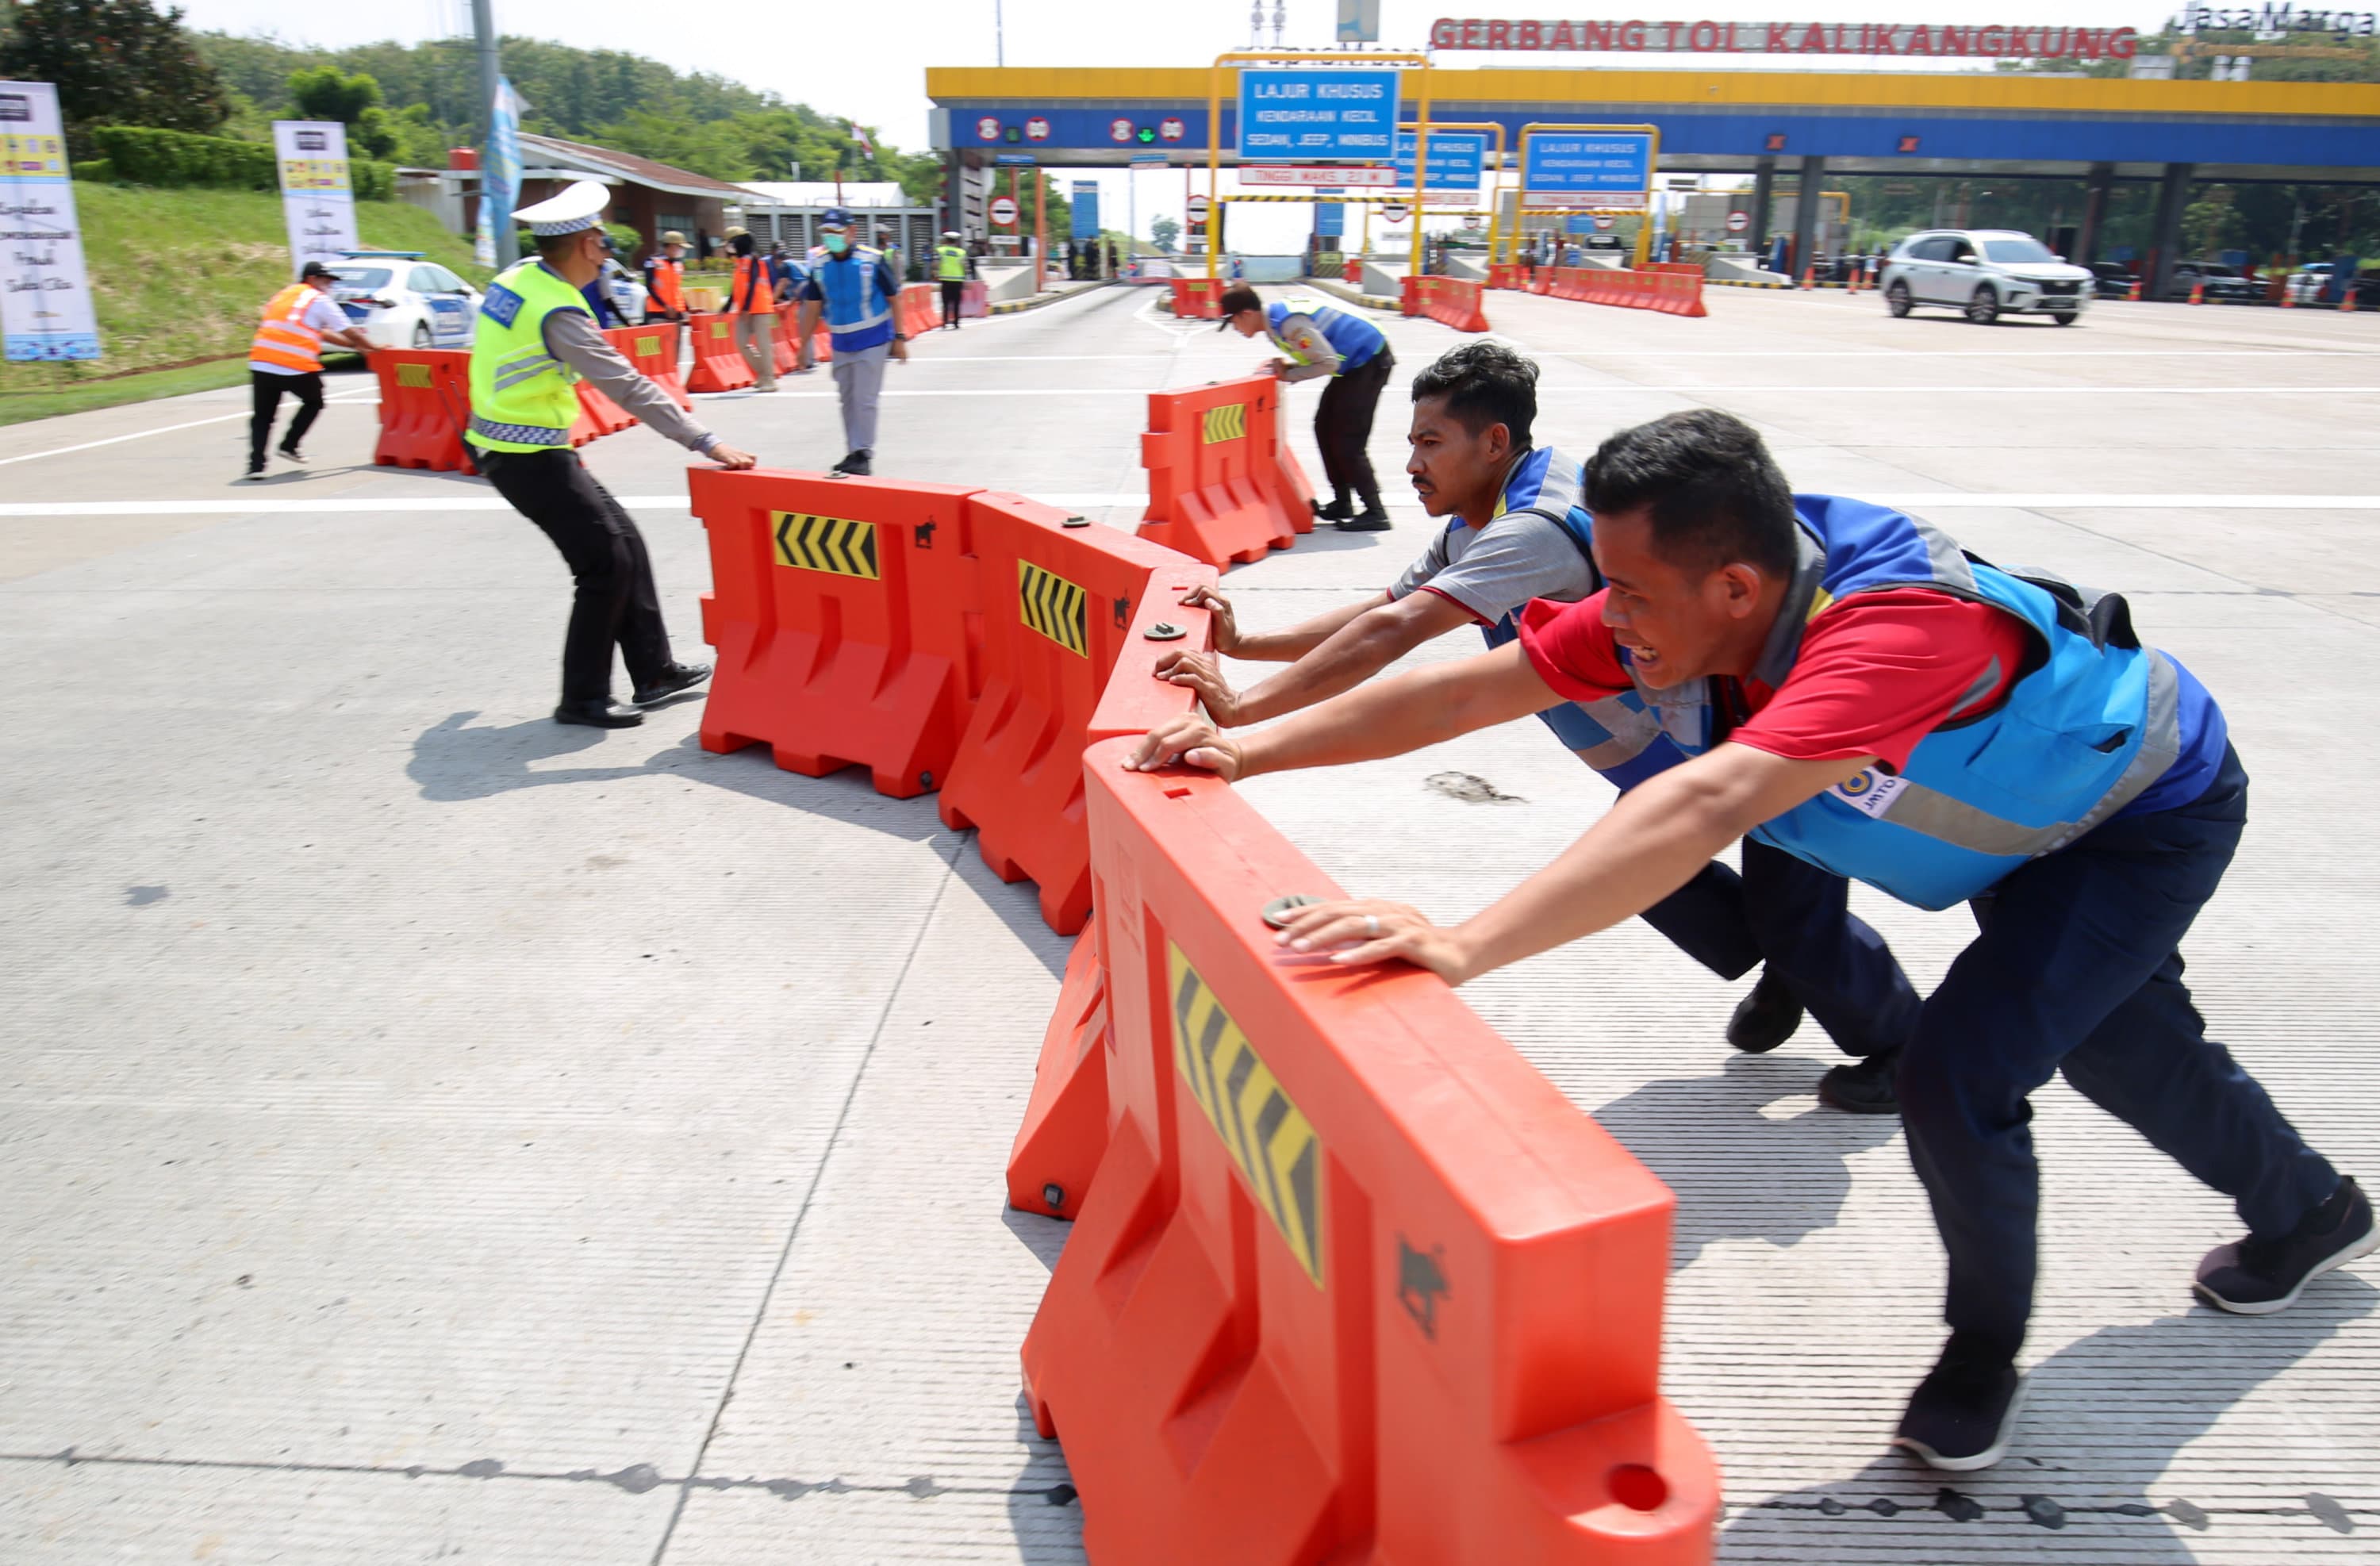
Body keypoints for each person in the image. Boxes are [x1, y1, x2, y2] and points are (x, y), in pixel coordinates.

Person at [1130, 407, 2370, 1474]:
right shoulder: (1702, 588)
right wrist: (1245, 748)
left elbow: (1707, 801)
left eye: (1630, 593)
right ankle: (2312, 1208)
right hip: (2017, 822)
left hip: (2132, 819)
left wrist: (1462, 942)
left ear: (1736, 586)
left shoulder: (1895, 628)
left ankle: (1981, 1347)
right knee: (2118, 1043)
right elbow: (1470, 687)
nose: (1607, 617)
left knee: (1963, 1068)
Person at [1150, 344, 1915, 1104]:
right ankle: (1795, 967)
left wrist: (1245, 718)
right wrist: (1247, 649)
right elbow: (1382, 609)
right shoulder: (1480, 520)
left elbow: (1396, 637)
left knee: (1768, 898)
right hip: (1669, 747)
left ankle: (1901, 1048)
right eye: (1411, 442)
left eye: (1429, 442)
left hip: (1739, 731)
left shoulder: (1529, 534)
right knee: (1655, 879)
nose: (1413, 463)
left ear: (1493, 443)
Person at [466, 180, 757, 728]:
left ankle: (653, 672)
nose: (606, 256)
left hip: (511, 444)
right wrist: (706, 442)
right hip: (525, 456)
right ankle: (582, 698)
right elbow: (628, 386)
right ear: (582, 246)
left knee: (626, 543)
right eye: (603, 244)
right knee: (603, 565)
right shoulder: (559, 314)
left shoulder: (516, 279)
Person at [1216, 283, 1395, 532]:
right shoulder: (1275, 324)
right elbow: (1319, 357)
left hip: (1369, 361)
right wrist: (1290, 368)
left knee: (1348, 440)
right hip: (1353, 365)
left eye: (1234, 323)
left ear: (1246, 314)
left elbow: (1328, 363)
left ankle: (1376, 512)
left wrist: (1289, 375)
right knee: (1323, 427)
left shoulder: (1289, 325)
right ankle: (1343, 502)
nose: (1236, 329)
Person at [795, 207, 908, 478]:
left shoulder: (872, 260)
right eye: (827, 233)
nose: (832, 237)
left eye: (837, 231)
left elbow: (894, 298)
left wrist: (900, 337)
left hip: (873, 338)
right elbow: (813, 306)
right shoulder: (820, 265)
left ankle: (864, 453)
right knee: (847, 399)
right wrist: (802, 346)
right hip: (841, 341)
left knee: (865, 398)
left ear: (852, 231)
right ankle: (853, 451)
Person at [244, 260, 373, 481]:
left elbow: (321, 332)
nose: (329, 286)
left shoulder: (284, 295)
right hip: (295, 365)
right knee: (314, 402)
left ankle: (256, 466)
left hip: (262, 362)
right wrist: (372, 347)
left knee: (263, 417)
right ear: (312, 279)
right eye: (326, 280)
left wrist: (353, 346)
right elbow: (346, 328)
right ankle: (289, 444)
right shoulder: (317, 299)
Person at [722, 226, 777, 393]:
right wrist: (727, 305)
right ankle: (763, 373)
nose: (728, 247)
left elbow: (753, 284)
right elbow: (737, 287)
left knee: (763, 345)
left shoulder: (754, 260)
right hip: (744, 310)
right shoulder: (738, 264)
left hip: (759, 308)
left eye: (730, 243)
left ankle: (769, 379)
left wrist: (746, 308)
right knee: (741, 342)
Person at [642, 230, 690, 324]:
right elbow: (649, 287)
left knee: (676, 338)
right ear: (672, 246)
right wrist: (665, 305)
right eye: (680, 247)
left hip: (676, 312)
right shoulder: (652, 261)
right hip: (658, 312)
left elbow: (677, 289)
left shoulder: (678, 264)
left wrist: (688, 308)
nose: (682, 250)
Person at [935, 229, 973, 331]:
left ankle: (944, 322)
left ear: (946, 240)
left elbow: (936, 264)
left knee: (945, 302)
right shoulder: (961, 252)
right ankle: (956, 323)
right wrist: (968, 280)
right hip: (958, 281)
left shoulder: (941, 250)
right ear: (956, 241)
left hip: (945, 279)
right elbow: (966, 267)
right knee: (956, 302)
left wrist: (935, 274)